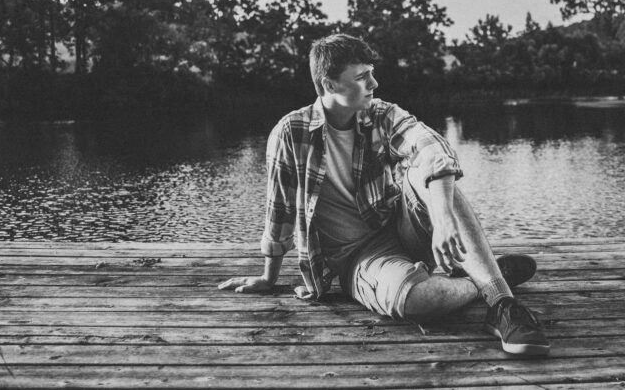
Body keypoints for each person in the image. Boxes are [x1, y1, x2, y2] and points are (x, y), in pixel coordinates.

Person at [218, 33, 550, 356]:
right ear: (328, 85)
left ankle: (503, 303)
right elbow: (280, 210)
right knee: (415, 301)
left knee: (429, 171)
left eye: (372, 75)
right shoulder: (291, 133)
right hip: (357, 256)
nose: (374, 85)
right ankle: (488, 275)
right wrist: (267, 276)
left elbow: (431, 145)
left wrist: (443, 215)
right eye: (362, 77)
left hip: (401, 224)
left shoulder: (381, 114)